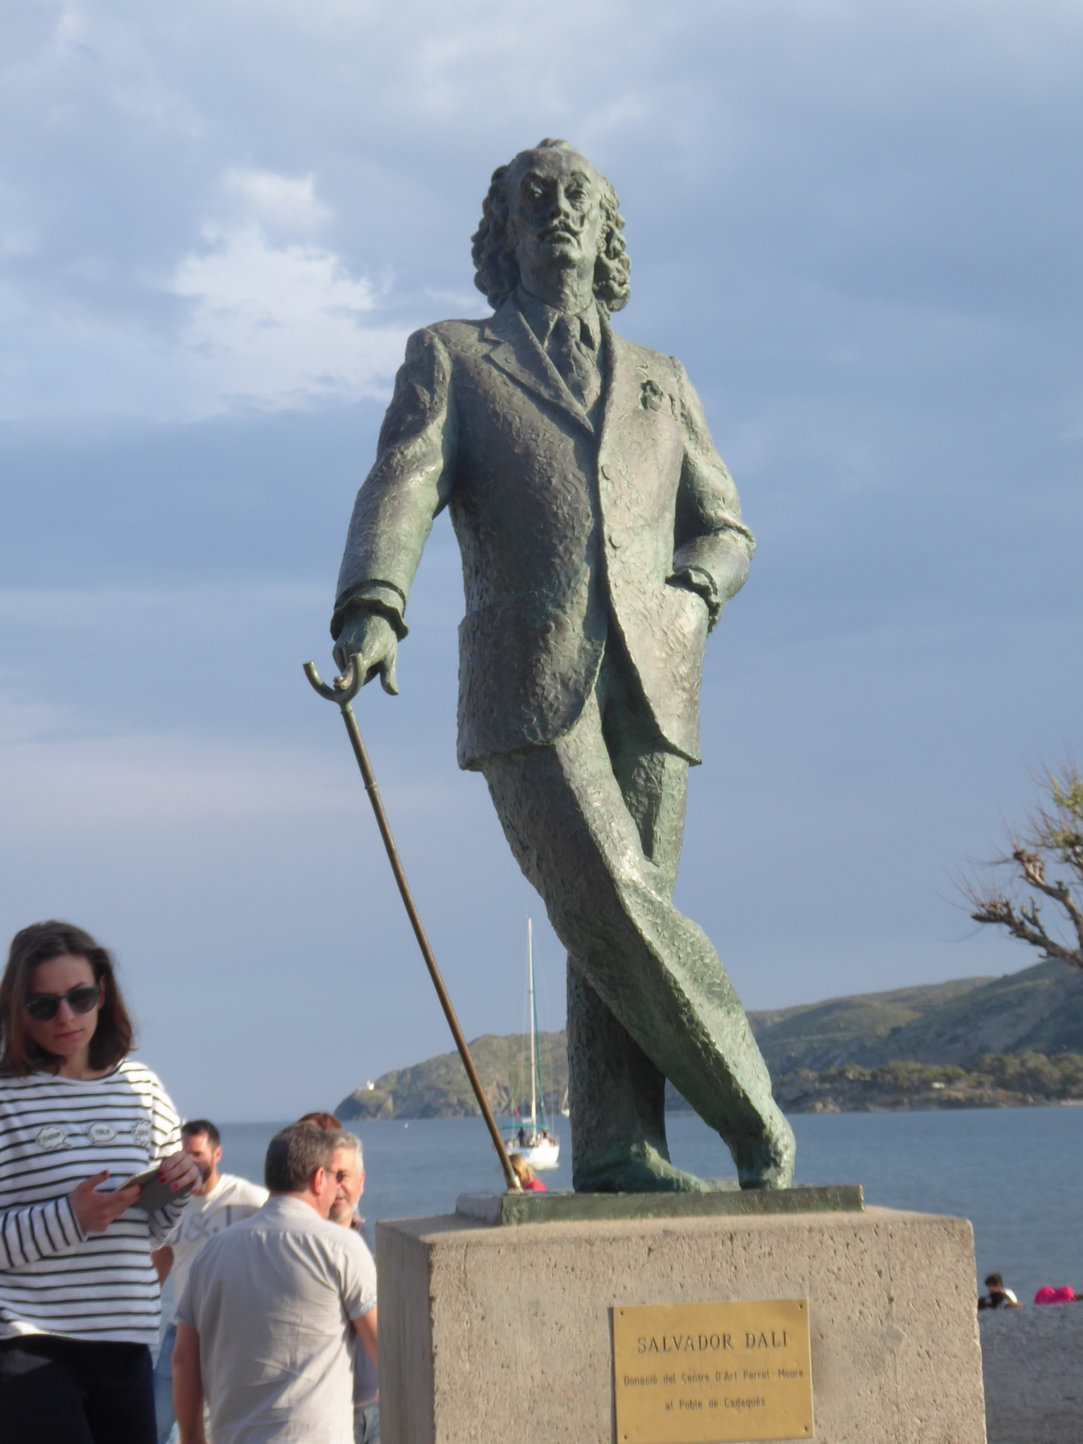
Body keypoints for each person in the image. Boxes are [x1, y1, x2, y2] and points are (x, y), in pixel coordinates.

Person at [331, 138, 795, 1194]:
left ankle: (623, 1151)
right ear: (502, 234)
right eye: (534, 197)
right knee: (610, 892)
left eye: (579, 193)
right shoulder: (454, 355)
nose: (560, 209)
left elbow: (726, 528)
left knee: (606, 932)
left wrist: (697, 593)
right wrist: (373, 607)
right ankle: (753, 1109)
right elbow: (402, 484)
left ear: (608, 228)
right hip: (527, 676)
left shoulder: (662, 381)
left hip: (659, 673)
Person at [0, 920, 200, 1444]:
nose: (66, 1017)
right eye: (44, 1005)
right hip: (27, 1347)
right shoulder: (5, 1098)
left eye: (80, 997)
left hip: (128, 1343)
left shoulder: (143, 1087)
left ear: (103, 993)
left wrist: (177, 1189)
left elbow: (151, 1235)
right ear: (17, 1009)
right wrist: (69, 1218)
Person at [173, 1123, 377, 1444]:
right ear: (318, 1179)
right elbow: (383, 1348)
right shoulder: (341, 1247)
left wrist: (191, 1438)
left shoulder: (211, 1253)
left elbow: (183, 1360)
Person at [151, 1119, 268, 1443]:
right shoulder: (171, 1204)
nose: (190, 1162)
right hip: (182, 1327)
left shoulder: (245, 1198)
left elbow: (290, 1217)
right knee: (159, 1423)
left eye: (198, 1154)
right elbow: (161, 1261)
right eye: (184, 1154)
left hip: (231, 1328)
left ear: (217, 1154)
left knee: (235, 1419)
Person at [297, 1112, 380, 1444]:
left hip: (373, 1408)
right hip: (321, 1413)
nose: (338, 1185)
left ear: (362, 1181)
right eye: (329, 1175)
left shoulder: (376, 1242)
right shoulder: (296, 1245)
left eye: (344, 1175)